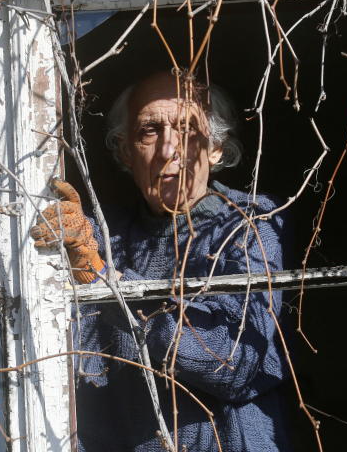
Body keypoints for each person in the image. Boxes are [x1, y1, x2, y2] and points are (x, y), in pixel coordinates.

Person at [31, 71, 291, 452]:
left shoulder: (250, 224)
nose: (169, 149)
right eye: (149, 131)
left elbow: (233, 361)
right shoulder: (108, 235)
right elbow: (75, 365)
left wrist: (105, 281)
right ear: (125, 152)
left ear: (216, 148)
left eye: (187, 128)